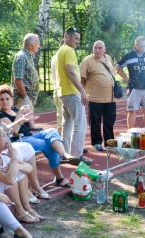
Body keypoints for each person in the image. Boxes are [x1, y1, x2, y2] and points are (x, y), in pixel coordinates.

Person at [0, 84, 80, 187]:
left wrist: (30, 115)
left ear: (12, 100)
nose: (5, 102)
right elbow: (14, 131)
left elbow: (31, 127)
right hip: (19, 140)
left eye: (7, 99)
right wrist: (20, 114)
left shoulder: (15, 110)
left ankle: (63, 155)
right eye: (2, 99)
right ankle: (59, 177)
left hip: (30, 136)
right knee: (49, 145)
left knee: (52, 131)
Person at [54, 28, 92, 165]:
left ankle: (66, 154)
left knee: (67, 125)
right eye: (76, 38)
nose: (78, 42)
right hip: (71, 92)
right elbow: (71, 72)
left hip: (63, 92)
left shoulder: (60, 51)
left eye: (79, 39)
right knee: (80, 125)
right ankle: (76, 156)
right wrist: (82, 91)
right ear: (68, 37)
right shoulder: (69, 50)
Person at [80, 40, 116, 151]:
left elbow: (113, 72)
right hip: (95, 97)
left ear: (104, 49)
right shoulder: (87, 61)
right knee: (95, 121)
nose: (97, 50)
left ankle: (109, 141)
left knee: (109, 120)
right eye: (95, 47)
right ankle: (96, 142)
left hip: (110, 97)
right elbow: (82, 79)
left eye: (100, 48)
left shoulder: (108, 58)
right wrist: (84, 93)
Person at [116, 36, 145, 129]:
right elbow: (118, 66)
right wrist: (125, 77)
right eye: (142, 46)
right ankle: (130, 133)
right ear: (136, 45)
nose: (144, 48)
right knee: (132, 111)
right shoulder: (128, 56)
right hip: (133, 88)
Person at [11, 33, 40, 112]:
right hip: (23, 100)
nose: (39, 46)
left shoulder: (27, 56)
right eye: (37, 44)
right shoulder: (21, 57)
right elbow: (18, 80)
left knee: (28, 123)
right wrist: (25, 98)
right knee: (23, 123)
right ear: (30, 45)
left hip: (27, 99)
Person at [52, 39, 65, 136]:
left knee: (62, 115)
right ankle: (62, 141)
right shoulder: (58, 57)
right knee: (61, 115)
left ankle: (64, 141)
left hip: (59, 90)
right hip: (61, 90)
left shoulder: (56, 57)